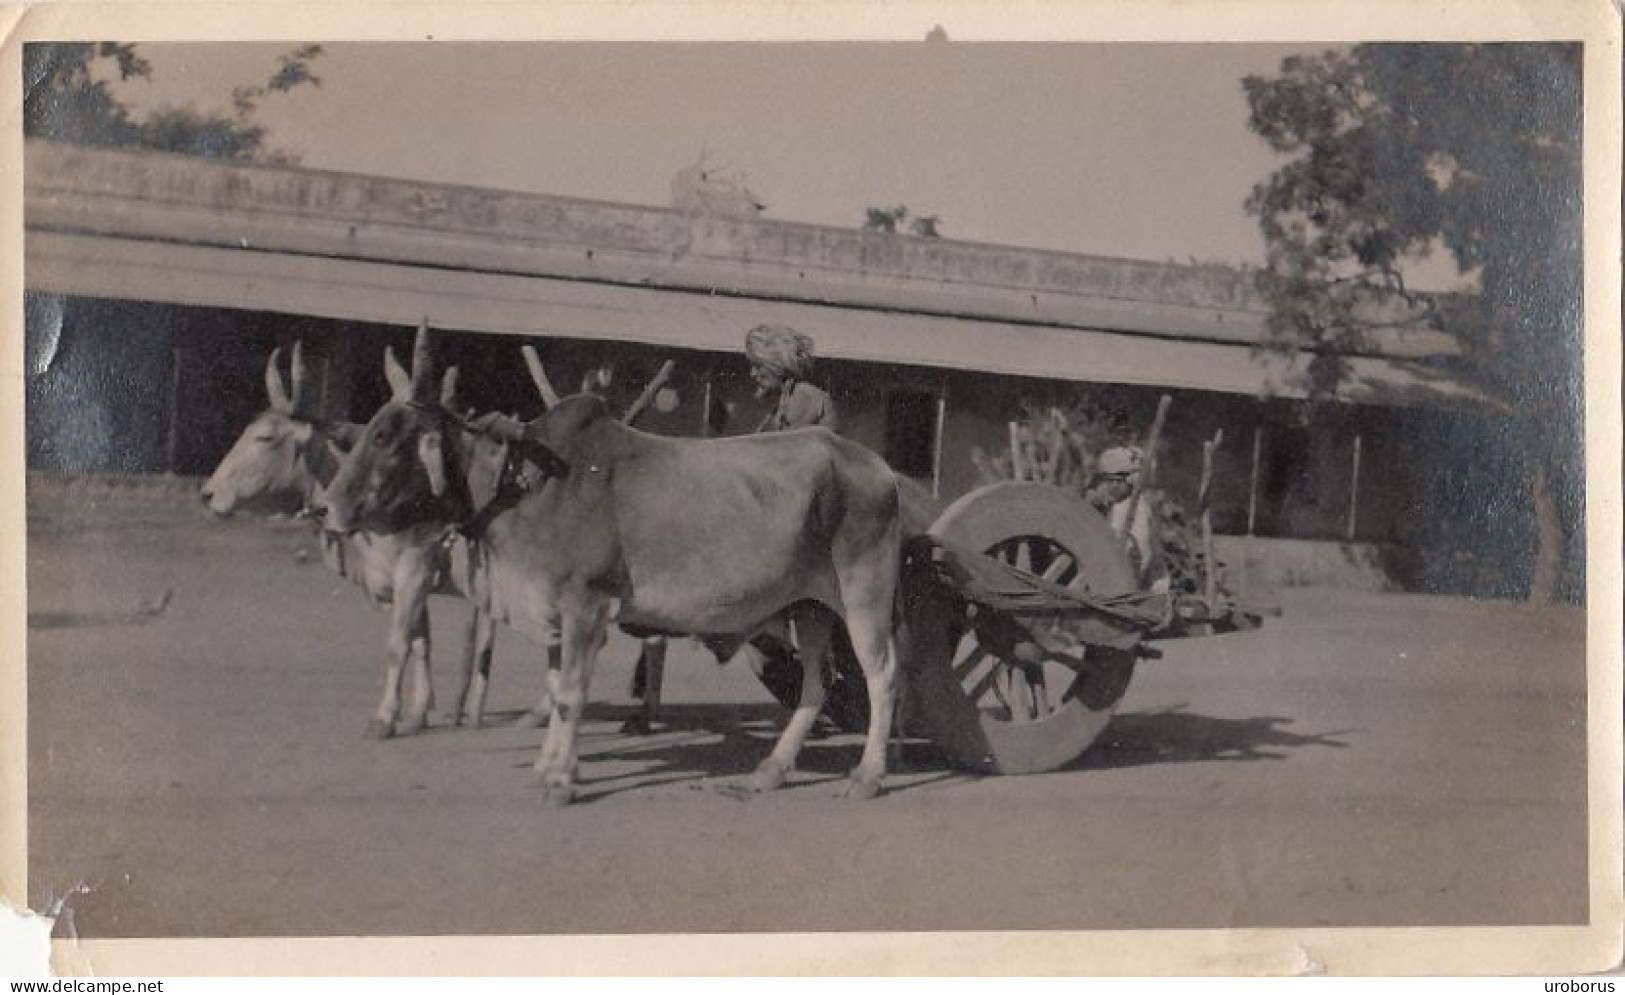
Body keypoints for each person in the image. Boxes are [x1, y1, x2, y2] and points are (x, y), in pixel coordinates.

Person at [1086, 446, 1160, 588]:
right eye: (1110, 480)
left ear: (1131, 481)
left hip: (1137, 585)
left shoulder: (1137, 509)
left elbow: (1142, 557)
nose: (1113, 486)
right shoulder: (1115, 504)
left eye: (1119, 481)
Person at [745, 324, 838, 433]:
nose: (753, 373)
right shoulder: (786, 398)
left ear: (778, 365)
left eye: (758, 366)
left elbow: (790, 446)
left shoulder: (803, 394)